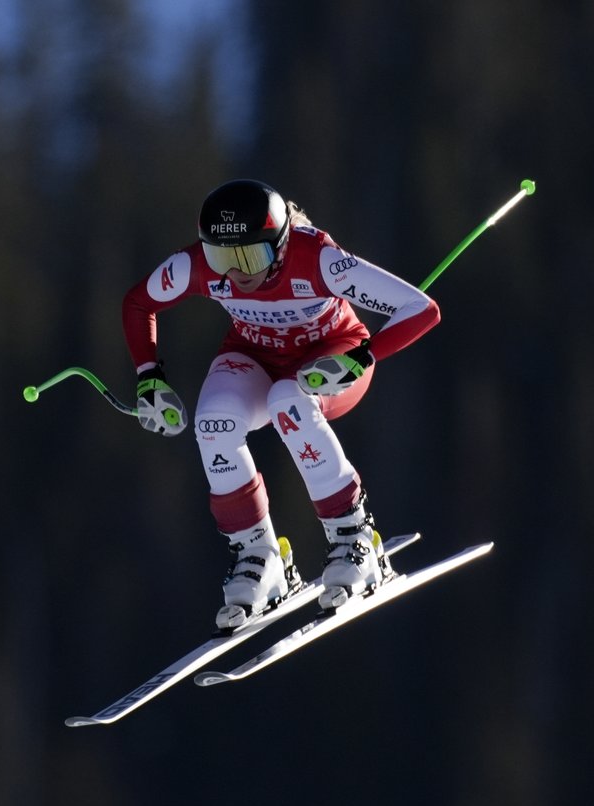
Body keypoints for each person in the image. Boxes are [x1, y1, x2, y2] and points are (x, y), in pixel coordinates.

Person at [121, 179, 441, 629]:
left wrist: (361, 356)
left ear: (281, 242)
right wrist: (148, 377)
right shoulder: (197, 266)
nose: (235, 274)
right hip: (256, 356)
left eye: (250, 257)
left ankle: (355, 538)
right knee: (213, 421)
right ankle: (259, 556)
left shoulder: (318, 260)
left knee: (288, 401)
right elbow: (138, 303)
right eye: (220, 258)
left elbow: (421, 309)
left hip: (330, 359)